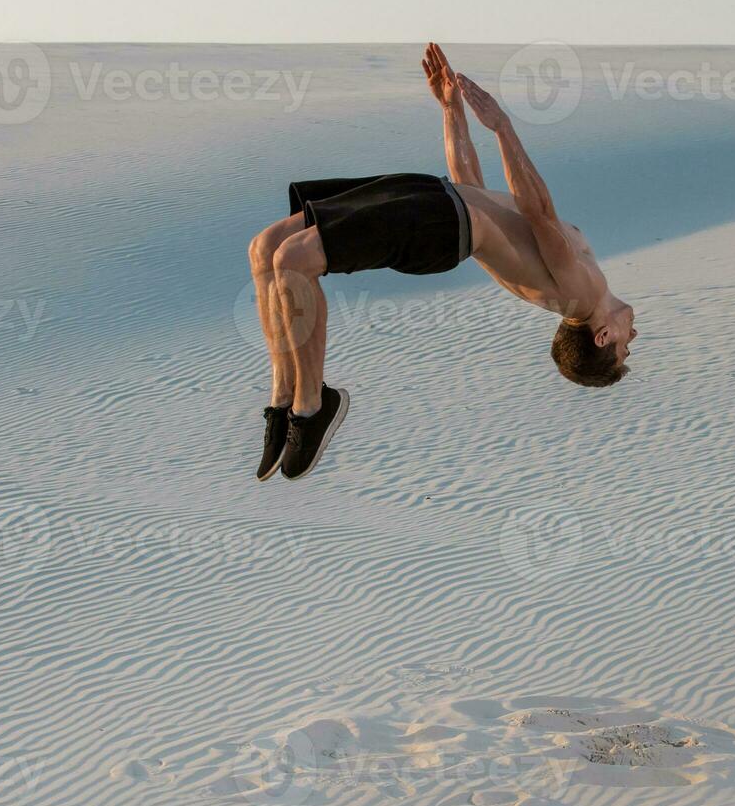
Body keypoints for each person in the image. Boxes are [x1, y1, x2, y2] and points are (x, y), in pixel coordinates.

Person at [246, 43, 638, 481]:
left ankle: (312, 406)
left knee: (294, 259)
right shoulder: (564, 289)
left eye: (625, 346)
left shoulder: (580, 296)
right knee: (266, 248)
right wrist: (452, 111)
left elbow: (539, 212)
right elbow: (472, 186)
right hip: (436, 199)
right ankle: (282, 398)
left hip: (438, 223)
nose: (633, 334)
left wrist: (503, 128)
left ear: (602, 337)